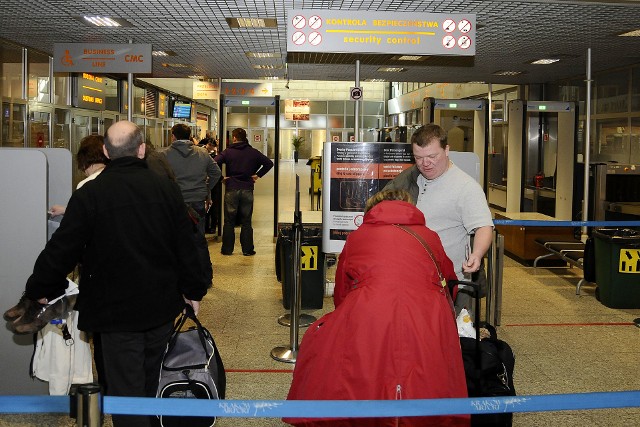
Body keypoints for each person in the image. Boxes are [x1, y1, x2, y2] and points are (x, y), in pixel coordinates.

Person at [8, 120, 208, 427]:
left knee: (125, 391)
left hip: (114, 314)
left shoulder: (91, 194)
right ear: (142, 149)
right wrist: (193, 290)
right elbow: (186, 244)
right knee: (152, 380)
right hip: (160, 306)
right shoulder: (165, 189)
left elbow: (62, 250)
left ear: (106, 151)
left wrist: (39, 288)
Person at [285, 189, 469, 427]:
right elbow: (449, 280)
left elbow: (343, 286)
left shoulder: (359, 236)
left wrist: (346, 314)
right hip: (427, 312)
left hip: (371, 309)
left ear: (372, 209)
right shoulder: (430, 235)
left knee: (349, 358)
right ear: (409, 206)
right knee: (424, 370)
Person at [383, 123, 493, 313]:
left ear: (447, 150)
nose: (426, 164)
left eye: (433, 156)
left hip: (448, 285)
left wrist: (476, 254)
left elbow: (484, 227)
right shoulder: (410, 180)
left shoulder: (466, 187)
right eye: (419, 157)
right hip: (412, 278)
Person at [163, 123, 221, 283]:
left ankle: (179, 278)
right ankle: (205, 277)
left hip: (175, 203)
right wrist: (206, 189)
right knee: (198, 240)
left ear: (173, 136)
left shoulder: (165, 155)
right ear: (189, 136)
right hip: (197, 201)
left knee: (174, 241)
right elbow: (216, 173)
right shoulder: (202, 153)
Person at [214, 127, 273, 256]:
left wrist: (221, 178)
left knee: (229, 221)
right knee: (246, 221)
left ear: (234, 138)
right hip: (247, 188)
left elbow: (213, 163)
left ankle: (227, 249)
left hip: (231, 188)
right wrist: (257, 175)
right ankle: (247, 250)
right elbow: (269, 163)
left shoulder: (228, 152)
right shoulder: (253, 152)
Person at [48, 135, 109, 216]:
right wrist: (66, 209)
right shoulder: (115, 176)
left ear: (83, 159)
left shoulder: (87, 184)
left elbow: (81, 218)